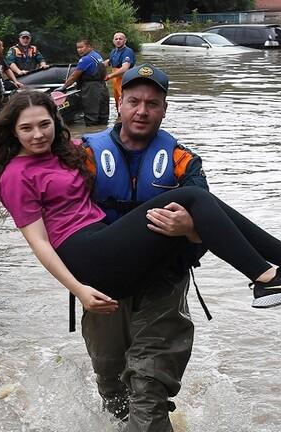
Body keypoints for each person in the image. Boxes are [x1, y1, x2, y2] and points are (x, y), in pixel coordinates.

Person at [0, 87, 281, 420]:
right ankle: (275, 272)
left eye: (44, 124)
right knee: (192, 198)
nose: (37, 134)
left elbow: (119, 140)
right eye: (26, 128)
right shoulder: (16, 175)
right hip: (86, 255)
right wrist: (78, 290)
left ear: (55, 121)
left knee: (197, 201)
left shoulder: (69, 152)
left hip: (111, 247)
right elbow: (39, 243)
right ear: (13, 131)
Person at [77, 63, 206, 430]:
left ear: (164, 109)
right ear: (120, 104)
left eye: (152, 103)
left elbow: (210, 225)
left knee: (148, 382)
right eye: (134, 101)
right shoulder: (83, 156)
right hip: (104, 286)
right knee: (111, 379)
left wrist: (190, 225)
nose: (142, 111)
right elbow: (58, 220)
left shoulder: (183, 162)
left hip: (162, 282)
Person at [58, 38, 109, 126]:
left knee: (91, 117)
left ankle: (91, 134)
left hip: (91, 90)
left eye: (81, 47)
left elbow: (74, 76)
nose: (79, 50)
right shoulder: (97, 55)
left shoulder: (85, 59)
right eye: (77, 48)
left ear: (89, 47)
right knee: (103, 116)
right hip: (102, 87)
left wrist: (63, 87)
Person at [103, 32, 136, 115]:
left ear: (125, 40)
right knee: (118, 103)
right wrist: (96, 65)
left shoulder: (128, 52)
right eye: (116, 39)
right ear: (113, 41)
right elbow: (109, 62)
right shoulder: (114, 51)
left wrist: (109, 76)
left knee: (126, 102)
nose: (118, 41)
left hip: (126, 80)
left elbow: (125, 68)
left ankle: (127, 119)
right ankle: (119, 120)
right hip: (116, 82)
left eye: (120, 39)